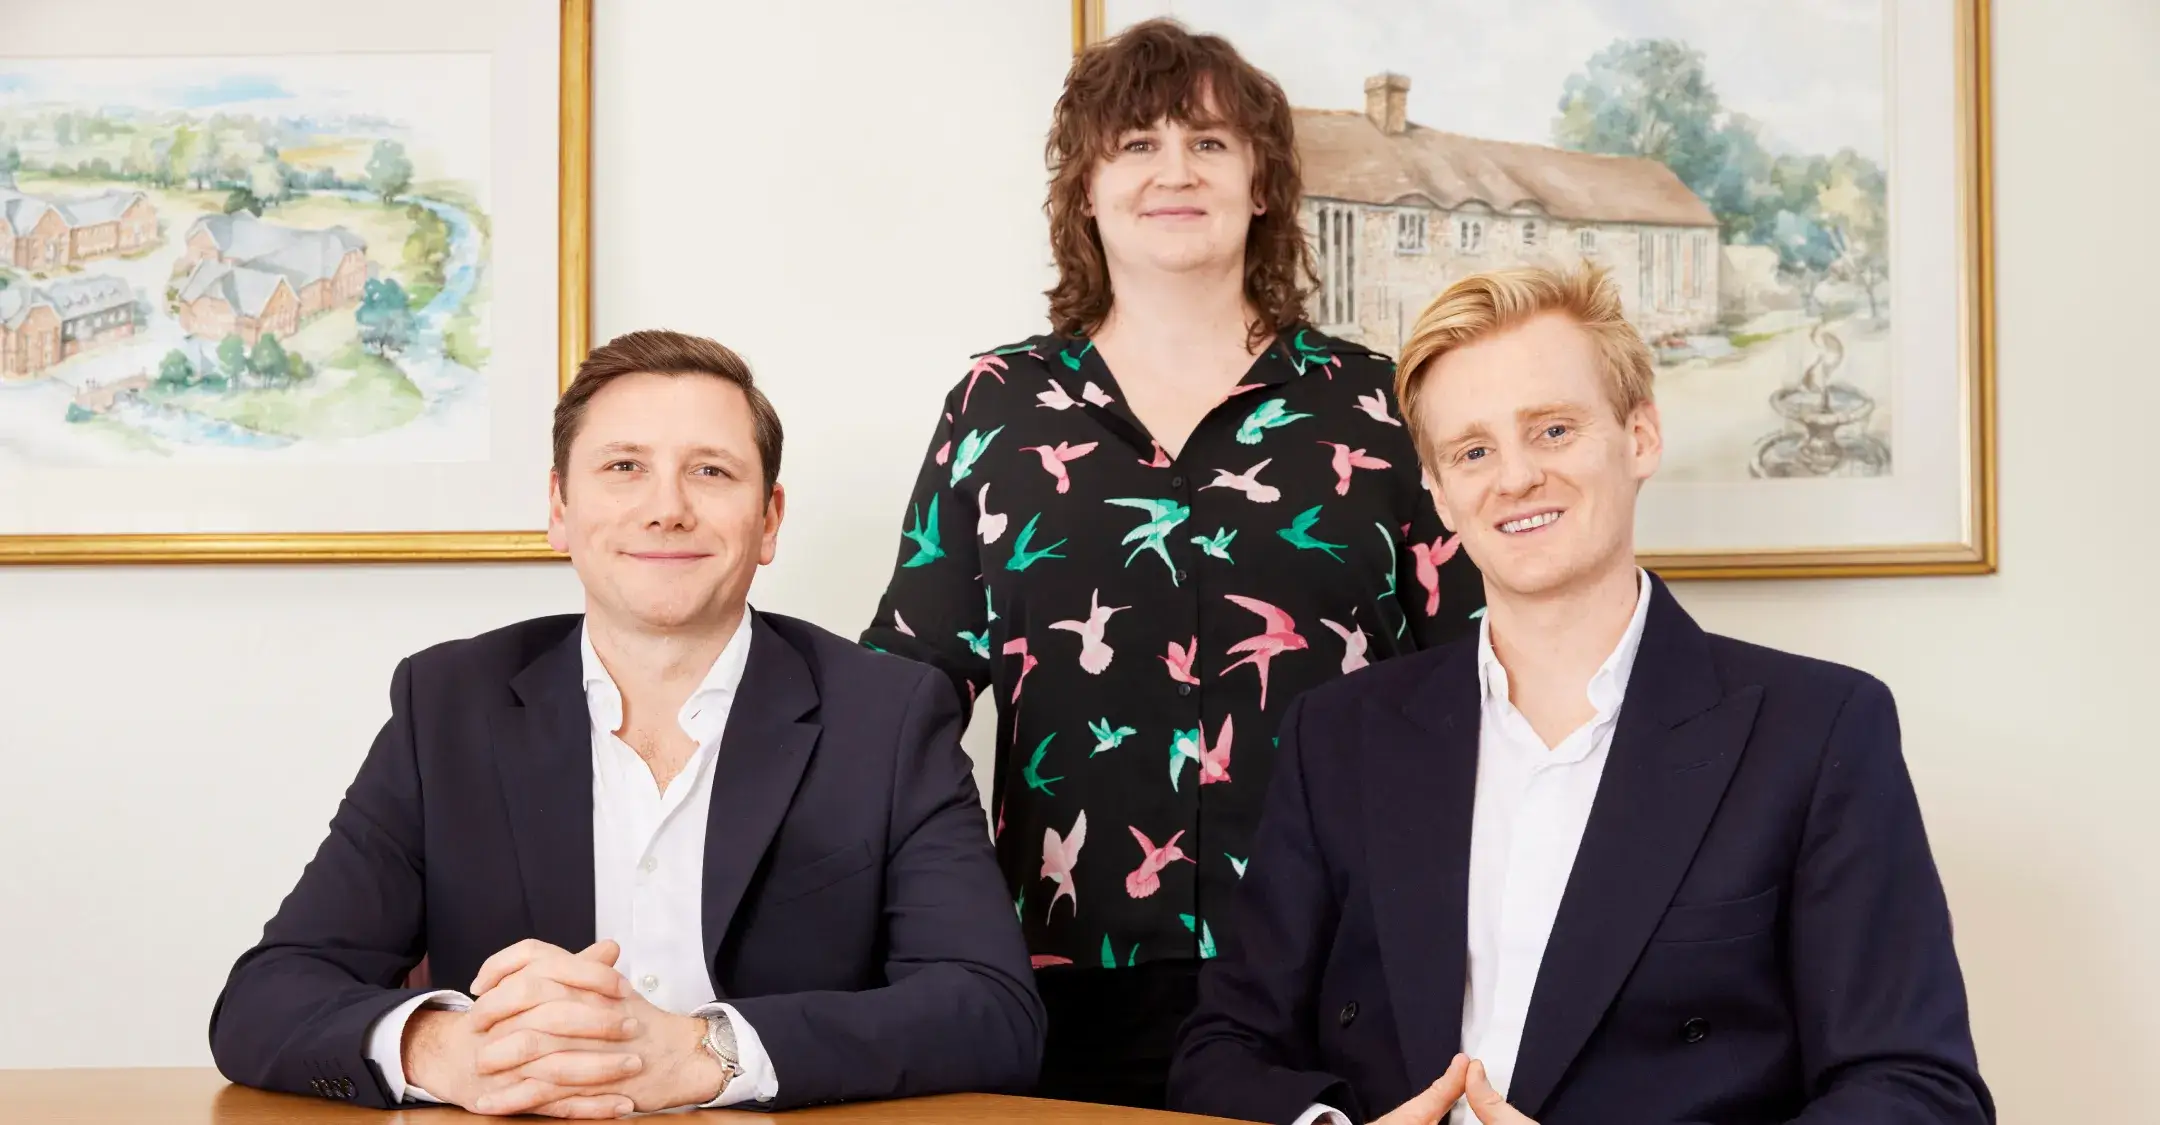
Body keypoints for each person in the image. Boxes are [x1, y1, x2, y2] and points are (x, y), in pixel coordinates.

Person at [1167, 265, 1994, 1125]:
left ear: (1639, 437)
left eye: (1554, 429)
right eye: (1473, 451)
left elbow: (1919, 1094)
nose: (1516, 477)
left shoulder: (1819, 730)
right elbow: (1224, 1048)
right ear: (1442, 494)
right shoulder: (1338, 732)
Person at [859, 18, 1483, 1112]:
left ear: (1262, 185)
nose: (1174, 171)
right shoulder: (997, 406)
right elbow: (910, 689)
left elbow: (1478, 677)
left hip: (1344, 962)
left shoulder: (1377, 405)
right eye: (1136, 144)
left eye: (1209, 142)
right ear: (1086, 191)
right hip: (1066, 968)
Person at [209, 330, 1043, 1117]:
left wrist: (702, 1051)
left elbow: (991, 1012)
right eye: (623, 467)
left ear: (770, 520)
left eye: (711, 471)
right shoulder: (449, 703)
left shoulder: (888, 713)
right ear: (560, 508)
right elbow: (268, 996)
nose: (666, 508)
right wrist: (447, 1047)